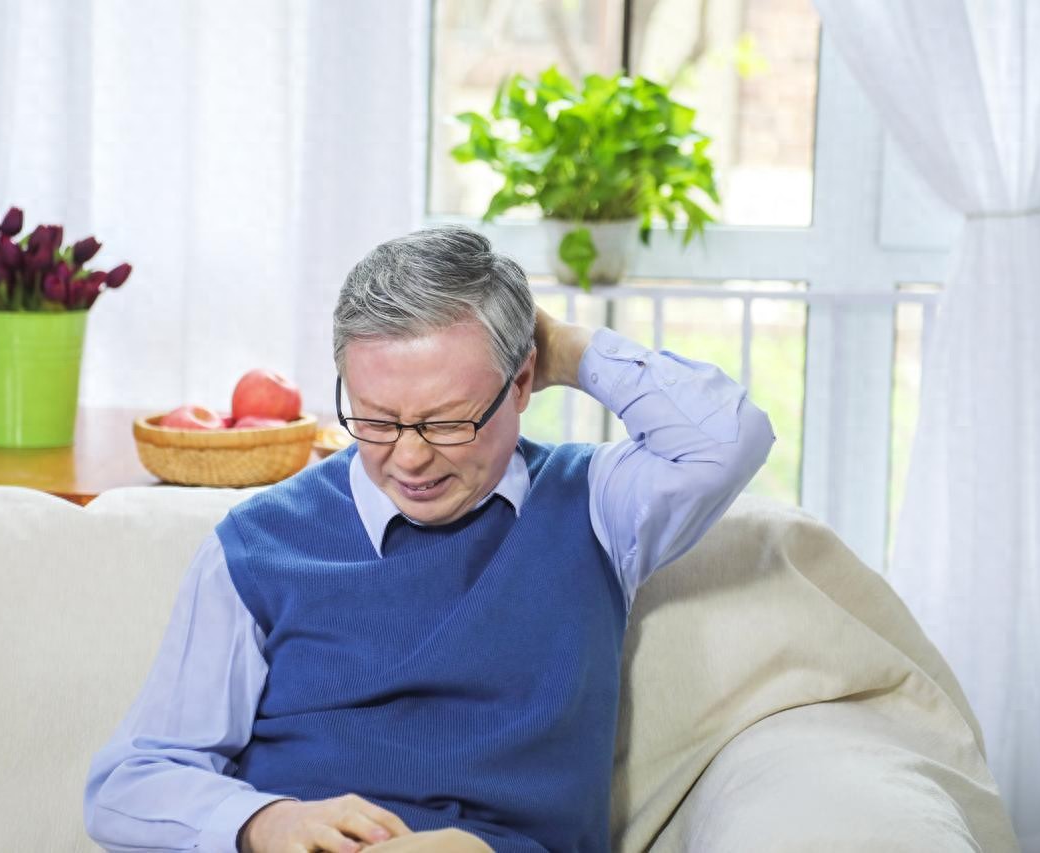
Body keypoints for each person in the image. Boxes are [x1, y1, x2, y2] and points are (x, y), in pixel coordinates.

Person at [84, 225, 776, 853]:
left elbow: (729, 438)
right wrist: (267, 822)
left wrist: (568, 350)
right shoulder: (256, 545)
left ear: (521, 382)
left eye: (446, 423)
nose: (410, 459)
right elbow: (130, 781)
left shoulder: (597, 506)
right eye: (377, 420)